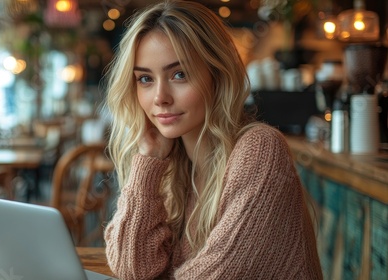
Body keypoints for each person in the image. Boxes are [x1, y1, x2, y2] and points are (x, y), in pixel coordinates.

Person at [102, 0, 323, 279]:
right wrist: (149, 159)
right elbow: (131, 268)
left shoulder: (259, 150)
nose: (159, 97)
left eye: (179, 75)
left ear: (216, 76)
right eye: (145, 79)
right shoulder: (172, 165)